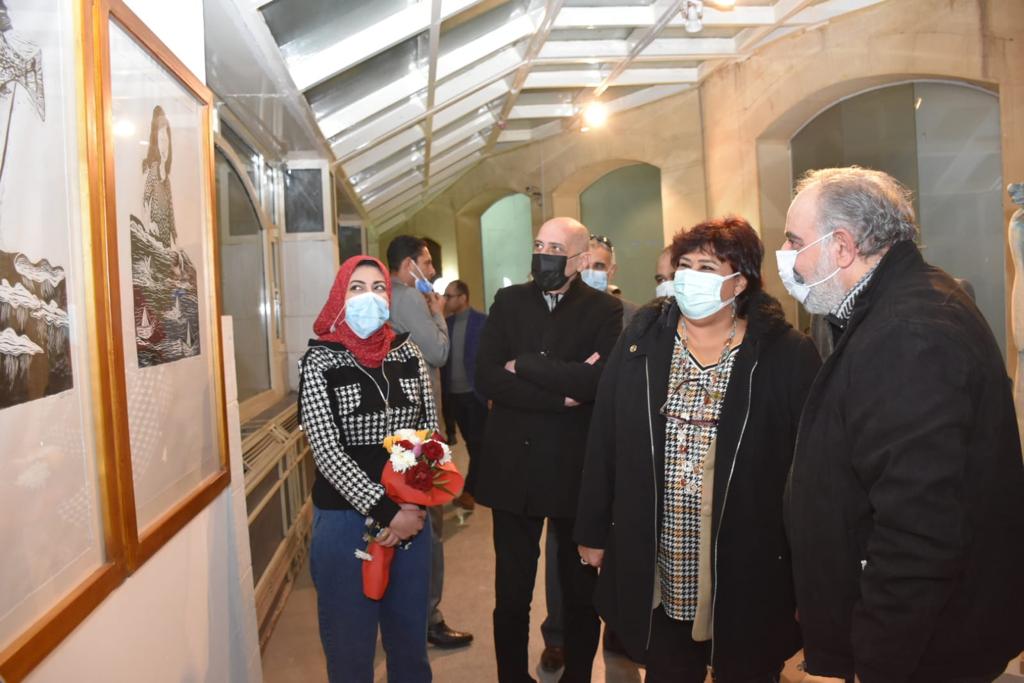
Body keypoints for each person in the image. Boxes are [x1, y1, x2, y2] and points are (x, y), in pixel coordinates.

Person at [781, 167, 1024, 682]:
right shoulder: (899, 305)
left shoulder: (907, 331)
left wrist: (877, 663)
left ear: (841, 247)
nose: (787, 257)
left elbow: (918, 529)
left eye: (794, 242)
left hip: (923, 651)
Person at [575, 216, 821, 682]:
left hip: (745, 557)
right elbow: (605, 436)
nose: (689, 278)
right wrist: (592, 529)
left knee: (746, 667)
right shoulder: (642, 342)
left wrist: (809, 570)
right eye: (684, 266)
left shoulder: (784, 354)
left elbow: (808, 471)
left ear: (740, 282)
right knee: (668, 666)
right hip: (661, 551)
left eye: (707, 268)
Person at [475, 217, 623, 683]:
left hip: (571, 472)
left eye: (556, 248)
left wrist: (526, 365)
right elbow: (487, 376)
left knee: (579, 595)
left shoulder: (604, 310)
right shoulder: (509, 301)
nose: (544, 255)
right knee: (511, 595)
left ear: (580, 259)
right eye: (539, 244)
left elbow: (597, 382)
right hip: (512, 470)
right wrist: (561, 396)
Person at [298, 255, 432, 682]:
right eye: (357, 288)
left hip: (412, 518)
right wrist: (386, 513)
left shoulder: (408, 353)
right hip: (345, 523)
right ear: (340, 297)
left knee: (410, 648)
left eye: (378, 288)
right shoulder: (319, 361)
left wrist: (411, 506)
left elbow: (427, 433)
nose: (369, 297)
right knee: (351, 652)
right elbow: (327, 452)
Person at [386, 235, 473, 649]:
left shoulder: (390, 297)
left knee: (408, 526)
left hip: (402, 430)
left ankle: (408, 615)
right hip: (418, 434)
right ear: (409, 265)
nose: (433, 271)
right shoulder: (406, 298)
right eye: (427, 262)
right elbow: (438, 353)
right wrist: (438, 314)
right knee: (428, 527)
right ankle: (428, 619)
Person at [440, 279, 488, 510]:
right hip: (453, 396)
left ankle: (471, 492)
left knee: (478, 444)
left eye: (449, 296)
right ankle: (480, 487)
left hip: (475, 394)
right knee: (472, 443)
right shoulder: (445, 324)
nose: (446, 300)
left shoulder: (482, 322)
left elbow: (489, 358)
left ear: (463, 297)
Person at [581, 234, 639, 326]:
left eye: (598, 266)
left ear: (611, 271)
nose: (590, 272)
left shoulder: (632, 315)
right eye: (585, 266)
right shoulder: (563, 310)